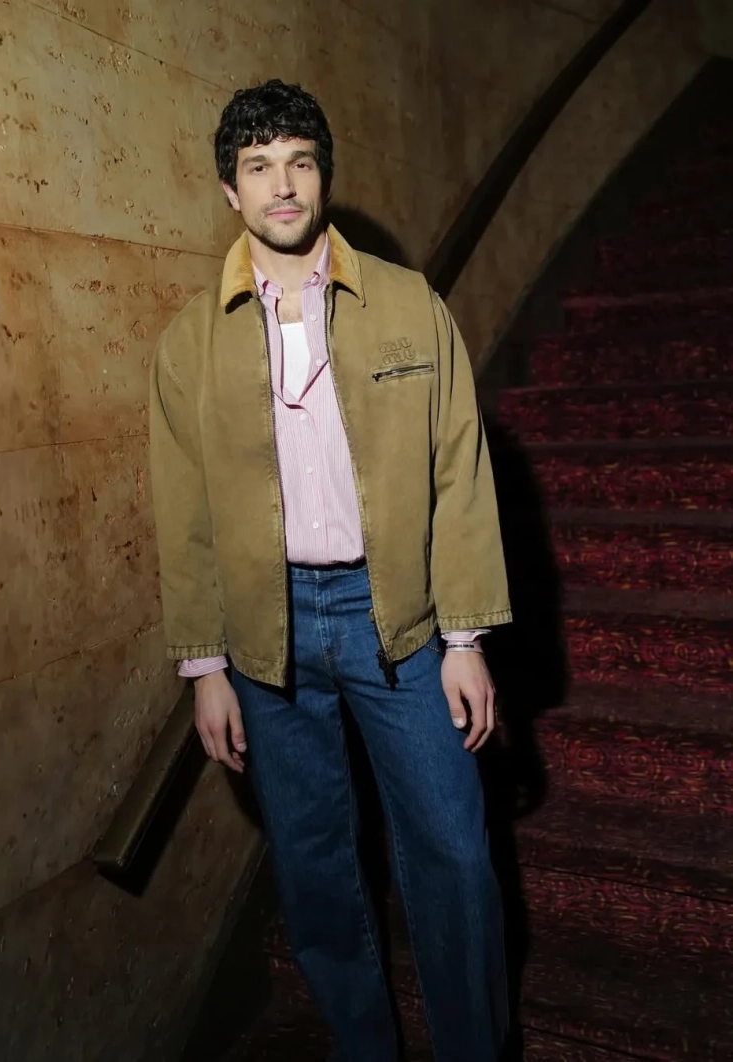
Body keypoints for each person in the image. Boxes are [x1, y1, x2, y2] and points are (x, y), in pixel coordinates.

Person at [149, 79, 512, 1062]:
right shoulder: (188, 342)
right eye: (259, 166)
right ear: (230, 190)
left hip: (395, 616)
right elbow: (183, 512)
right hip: (266, 631)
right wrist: (204, 666)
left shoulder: (406, 302)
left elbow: (459, 469)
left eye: (299, 162)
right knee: (313, 869)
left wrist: (464, 638)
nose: (282, 185)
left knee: (454, 852)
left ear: (323, 175)